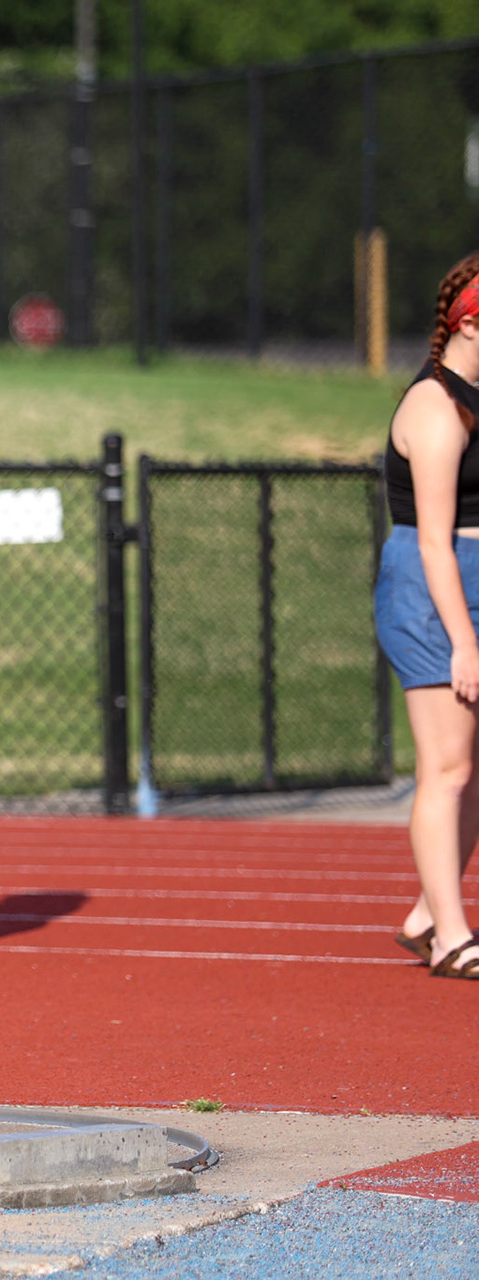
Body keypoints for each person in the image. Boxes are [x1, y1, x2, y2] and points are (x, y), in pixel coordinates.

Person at [376, 250, 479, 980]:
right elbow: (437, 544)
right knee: (445, 768)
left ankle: (425, 912)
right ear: (470, 322)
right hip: (434, 588)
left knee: (474, 770)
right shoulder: (435, 408)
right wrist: (465, 644)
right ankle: (450, 935)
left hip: (470, 581)